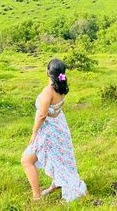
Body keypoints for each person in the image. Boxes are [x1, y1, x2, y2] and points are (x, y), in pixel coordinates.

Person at [21, 58, 87, 202]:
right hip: (60, 128)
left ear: (47, 72)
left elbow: (42, 115)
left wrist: (34, 133)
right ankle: (56, 184)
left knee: (26, 160)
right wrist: (52, 113)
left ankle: (36, 197)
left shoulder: (48, 91)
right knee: (60, 159)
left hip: (48, 132)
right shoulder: (62, 87)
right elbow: (55, 110)